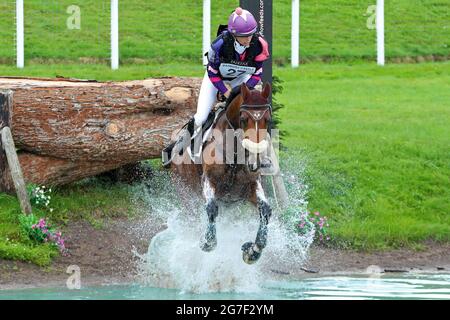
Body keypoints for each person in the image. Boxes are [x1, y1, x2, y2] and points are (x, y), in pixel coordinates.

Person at [162, 6, 270, 164]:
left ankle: (262, 155)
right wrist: (226, 92)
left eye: (251, 34)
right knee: (200, 117)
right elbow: (212, 73)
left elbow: (257, 73)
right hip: (216, 79)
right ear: (234, 35)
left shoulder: (259, 44)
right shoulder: (219, 45)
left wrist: (243, 91)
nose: (248, 39)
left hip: (241, 79)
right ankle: (177, 146)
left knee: (255, 111)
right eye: (244, 36)